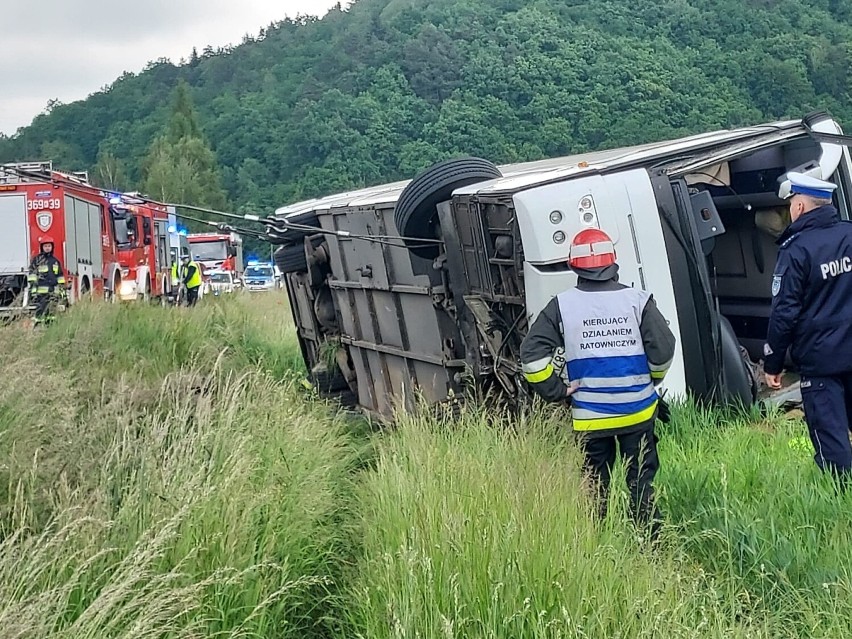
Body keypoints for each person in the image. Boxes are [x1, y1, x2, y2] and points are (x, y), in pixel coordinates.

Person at [520, 228, 676, 536]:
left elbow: (531, 357)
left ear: (573, 266)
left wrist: (558, 391)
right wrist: (652, 380)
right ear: (613, 261)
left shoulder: (561, 306)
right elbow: (664, 348)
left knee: (594, 487)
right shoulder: (638, 300)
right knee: (640, 482)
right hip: (638, 412)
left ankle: (595, 545)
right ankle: (650, 547)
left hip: (591, 417)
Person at [764, 171, 852, 481]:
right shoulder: (850, 234)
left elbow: (784, 313)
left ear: (800, 206)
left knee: (832, 440)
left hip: (821, 363)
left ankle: (842, 500)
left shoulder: (796, 249)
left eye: (790, 203)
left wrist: (772, 363)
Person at [27, 236, 67, 325]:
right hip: (41, 293)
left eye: (49, 246)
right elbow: (32, 275)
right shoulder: (37, 260)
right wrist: (33, 290)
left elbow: (60, 276)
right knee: (41, 309)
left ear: (52, 247)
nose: (47, 248)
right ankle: (39, 327)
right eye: (45, 246)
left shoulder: (55, 261)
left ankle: (50, 326)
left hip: (53, 292)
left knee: (52, 311)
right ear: (42, 247)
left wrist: (62, 290)